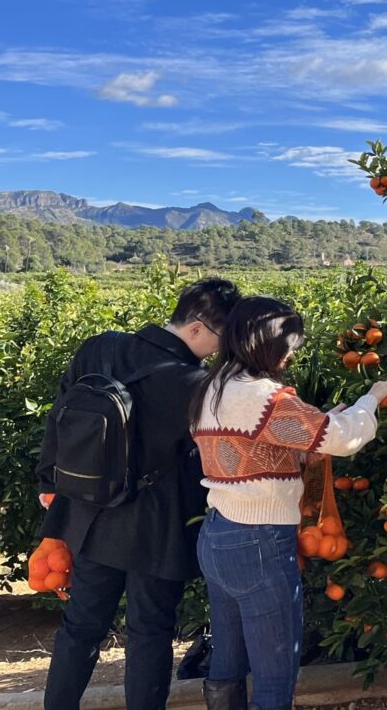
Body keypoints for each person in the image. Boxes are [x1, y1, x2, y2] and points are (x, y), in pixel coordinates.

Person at [36, 277, 242, 710]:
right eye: (223, 339)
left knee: (80, 627)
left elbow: (59, 416)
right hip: (156, 524)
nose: (222, 351)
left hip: (89, 512)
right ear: (198, 328)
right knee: (150, 632)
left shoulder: (101, 347)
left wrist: (50, 483)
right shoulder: (197, 384)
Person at [190, 296, 387, 710]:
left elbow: (246, 450)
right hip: (259, 541)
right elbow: (343, 438)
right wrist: (371, 399)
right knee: (275, 673)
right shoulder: (265, 396)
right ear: (269, 344)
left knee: (228, 660)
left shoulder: (212, 386)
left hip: (217, 535)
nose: (289, 357)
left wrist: (312, 431)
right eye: (288, 347)